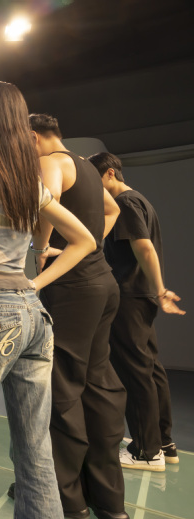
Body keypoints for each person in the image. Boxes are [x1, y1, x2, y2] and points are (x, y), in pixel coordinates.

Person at [0, 81, 96, 519]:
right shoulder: (28, 180)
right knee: (35, 450)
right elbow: (85, 240)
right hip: (33, 315)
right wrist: (34, 283)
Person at [25, 114, 129, 519]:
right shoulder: (85, 165)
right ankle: (109, 499)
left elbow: (45, 204)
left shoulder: (50, 161)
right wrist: (91, 243)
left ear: (34, 137)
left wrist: (42, 248)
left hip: (73, 288)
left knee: (64, 384)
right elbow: (113, 208)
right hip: (104, 282)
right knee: (100, 384)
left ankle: (67, 496)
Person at [89, 152, 185, 472]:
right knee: (151, 369)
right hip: (139, 295)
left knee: (135, 372)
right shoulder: (139, 200)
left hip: (130, 296)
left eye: (94, 179)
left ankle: (146, 451)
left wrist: (160, 289)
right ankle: (163, 442)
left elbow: (143, 246)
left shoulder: (125, 203)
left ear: (110, 173)